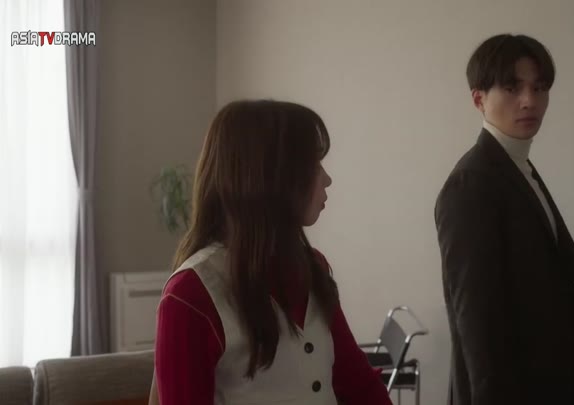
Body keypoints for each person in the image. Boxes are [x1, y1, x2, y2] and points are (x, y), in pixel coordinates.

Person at [148, 100, 393, 405]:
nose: (327, 179)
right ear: (270, 177)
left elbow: (357, 384)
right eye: (313, 165)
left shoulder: (312, 267)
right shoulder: (190, 294)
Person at [434, 34, 574, 404]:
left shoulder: (518, 169)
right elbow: (477, 324)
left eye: (539, 88)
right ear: (479, 99)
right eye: (512, 88)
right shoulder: (472, 182)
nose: (529, 101)